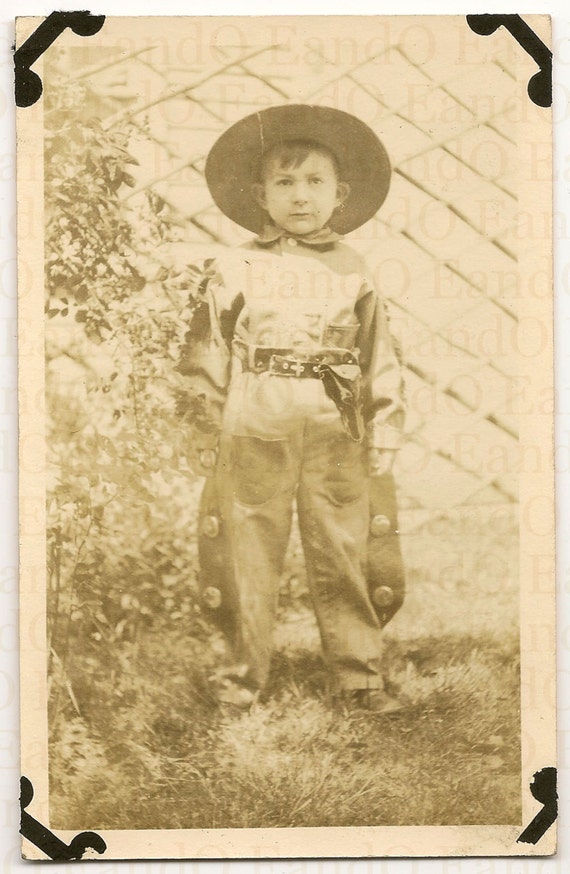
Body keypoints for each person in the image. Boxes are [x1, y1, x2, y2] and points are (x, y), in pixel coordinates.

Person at [175, 104, 406, 712]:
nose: (299, 196)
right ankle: (239, 679)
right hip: (256, 415)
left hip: (337, 420)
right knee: (245, 545)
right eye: (284, 182)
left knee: (343, 543)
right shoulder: (234, 265)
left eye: (314, 183)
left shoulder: (354, 269)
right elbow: (207, 351)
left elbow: (379, 351)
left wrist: (384, 423)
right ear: (260, 193)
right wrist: (204, 425)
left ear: (340, 193)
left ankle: (360, 677)